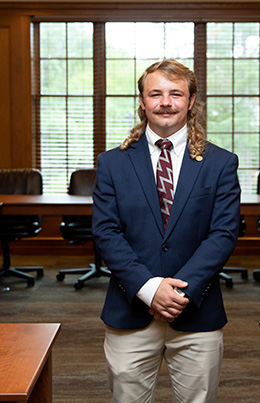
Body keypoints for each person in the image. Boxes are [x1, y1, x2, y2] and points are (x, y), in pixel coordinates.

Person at [92, 59, 241, 403]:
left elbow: (223, 234)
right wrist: (149, 288)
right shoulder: (111, 163)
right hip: (130, 312)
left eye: (176, 93)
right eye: (155, 93)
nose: (165, 102)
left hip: (196, 312)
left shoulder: (221, 163)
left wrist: (177, 294)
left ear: (191, 102)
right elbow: (106, 232)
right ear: (142, 102)